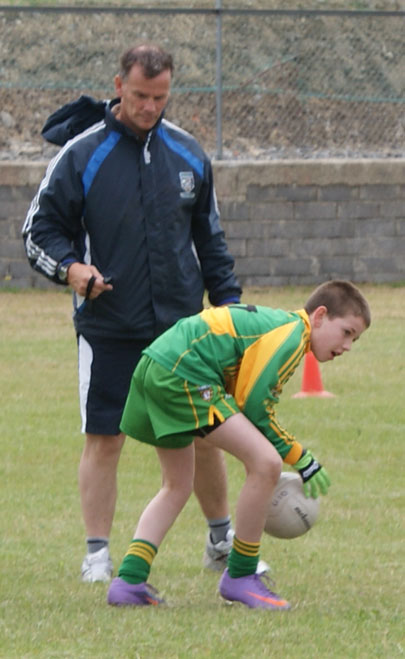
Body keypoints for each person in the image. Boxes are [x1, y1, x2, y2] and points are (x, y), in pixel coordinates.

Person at [22, 43, 246, 583]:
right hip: (109, 326)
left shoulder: (190, 155)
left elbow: (210, 241)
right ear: (119, 86)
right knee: (106, 437)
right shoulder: (81, 154)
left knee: (205, 432)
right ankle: (97, 555)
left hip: (183, 331)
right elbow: (38, 232)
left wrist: (231, 308)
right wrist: (72, 269)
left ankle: (221, 540)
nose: (150, 106)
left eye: (161, 96)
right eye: (142, 95)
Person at [106, 279, 371, 610]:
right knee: (267, 463)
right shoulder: (291, 335)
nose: (347, 345)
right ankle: (241, 576)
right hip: (183, 373)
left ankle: (129, 581)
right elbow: (255, 406)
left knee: (177, 485)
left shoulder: (281, 328)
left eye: (355, 339)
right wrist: (301, 457)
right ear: (319, 316)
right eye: (346, 332)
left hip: (158, 363)